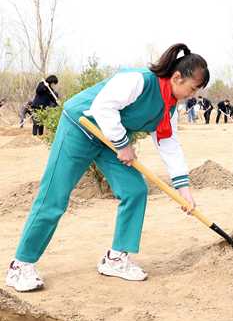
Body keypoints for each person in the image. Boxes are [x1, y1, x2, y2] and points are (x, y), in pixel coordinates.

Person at [5, 43, 207, 292]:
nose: (193, 94)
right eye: (193, 88)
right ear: (177, 77)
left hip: (110, 141)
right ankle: (20, 265)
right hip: (80, 128)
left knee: (134, 190)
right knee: (54, 196)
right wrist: (123, 144)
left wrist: (183, 188)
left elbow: (169, 144)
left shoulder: (169, 106)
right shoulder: (139, 81)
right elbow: (103, 106)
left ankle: (115, 258)